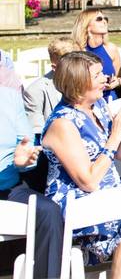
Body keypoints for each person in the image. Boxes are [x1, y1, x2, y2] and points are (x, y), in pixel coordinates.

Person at [41, 51, 121, 275]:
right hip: (76, 200)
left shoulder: (97, 106)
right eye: (98, 75)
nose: (106, 78)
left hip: (109, 191)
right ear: (78, 82)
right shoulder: (63, 122)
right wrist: (114, 136)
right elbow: (88, 181)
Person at [1, 74, 64, 279]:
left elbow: (28, 148)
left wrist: (25, 160)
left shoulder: (9, 98)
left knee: (49, 211)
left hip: (9, 187)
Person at [23, 37, 77, 135]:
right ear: (54, 67)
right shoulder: (35, 91)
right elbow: (38, 133)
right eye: (71, 66)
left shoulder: (86, 82)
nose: (77, 69)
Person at [72, 9, 121, 101]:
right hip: (88, 102)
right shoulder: (78, 51)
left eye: (105, 19)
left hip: (111, 100)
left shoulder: (111, 49)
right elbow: (74, 83)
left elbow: (120, 77)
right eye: (99, 19)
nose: (104, 21)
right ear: (87, 26)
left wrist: (117, 82)